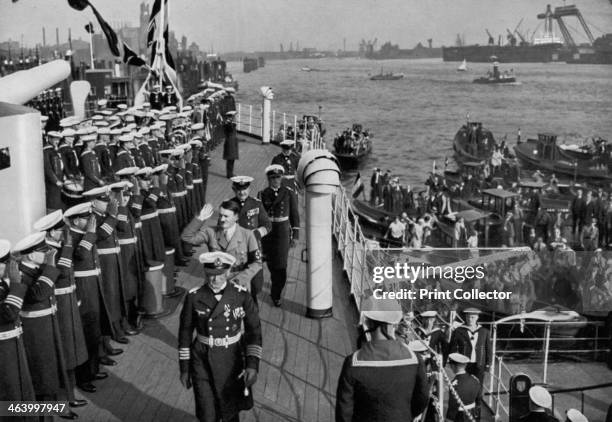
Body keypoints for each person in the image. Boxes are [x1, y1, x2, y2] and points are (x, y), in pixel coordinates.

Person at [178, 251, 262, 422]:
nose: (215, 280)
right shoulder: (194, 297)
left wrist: (252, 364)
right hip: (202, 359)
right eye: (210, 275)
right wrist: (185, 369)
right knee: (207, 413)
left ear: (228, 272)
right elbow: (185, 333)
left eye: (220, 275)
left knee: (230, 411)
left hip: (231, 360)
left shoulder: (241, 295)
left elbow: (254, 331)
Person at [335, 296, 429, 422]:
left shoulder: (353, 362)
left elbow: (344, 412)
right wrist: (404, 415)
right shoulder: (415, 359)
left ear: (368, 323)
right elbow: (422, 399)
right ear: (393, 325)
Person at [33, 210, 89, 410]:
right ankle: (65, 397)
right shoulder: (49, 252)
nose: (63, 233)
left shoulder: (56, 248)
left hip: (68, 300)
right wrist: (66, 247)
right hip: (59, 305)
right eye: (59, 231)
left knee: (72, 349)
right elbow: (63, 273)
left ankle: (69, 392)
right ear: (50, 233)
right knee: (65, 351)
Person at [181, 200, 262, 292]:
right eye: (220, 215)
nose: (222, 219)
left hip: (238, 284)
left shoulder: (247, 235)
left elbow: (257, 263)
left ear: (236, 217)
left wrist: (237, 281)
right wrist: (200, 219)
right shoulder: (210, 232)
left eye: (226, 216)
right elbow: (186, 237)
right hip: (214, 282)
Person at [0, 239, 36, 407]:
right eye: (4, 264)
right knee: (11, 393)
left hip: (10, 344)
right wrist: (16, 285)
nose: (8, 267)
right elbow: (8, 313)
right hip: (3, 350)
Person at [258, 165, 300, 307]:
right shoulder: (262, 194)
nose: (276, 180)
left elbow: (295, 215)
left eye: (278, 177)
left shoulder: (288, 193)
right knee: (271, 263)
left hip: (282, 233)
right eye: (273, 178)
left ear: (281, 177)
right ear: (268, 179)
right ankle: (275, 283)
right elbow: (259, 217)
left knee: (281, 266)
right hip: (268, 233)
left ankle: (276, 293)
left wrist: (295, 236)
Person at [229, 176, 271, 305]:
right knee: (238, 282)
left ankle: (252, 299)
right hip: (236, 250)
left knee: (257, 283)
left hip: (254, 249)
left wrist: (256, 234)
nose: (242, 192)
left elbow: (268, 225)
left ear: (249, 188)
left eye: (245, 189)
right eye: (239, 190)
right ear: (234, 189)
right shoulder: (229, 205)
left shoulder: (256, 203)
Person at [448, 308, 491, 383]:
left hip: (479, 364)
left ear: (477, 317)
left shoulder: (484, 332)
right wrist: (453, 362)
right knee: (464, 384)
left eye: (472, 317)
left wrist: (488, 365)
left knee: (478, 385)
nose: (470, 319)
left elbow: (488, 349)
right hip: (464, 364)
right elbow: (453, 347)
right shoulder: (458, 331)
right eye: (468, 317)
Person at [446, 353, 481, 422]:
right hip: (472, 414)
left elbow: (453, 406)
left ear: (453, 366)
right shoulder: (475, 380)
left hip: (460, 416)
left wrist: (448, 419)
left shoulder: (454, 384)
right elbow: (478, 399)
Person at [223, 110, 239, 178]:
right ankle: (229, 174)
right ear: (231, 117)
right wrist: (231, 122)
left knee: (232, 159)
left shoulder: (230, 123)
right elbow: (230, 129)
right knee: (230, 159)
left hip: (232, 142)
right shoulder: (228, 124)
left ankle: (230, 173)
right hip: (230, 143)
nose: (235, 118)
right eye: (234, 116)